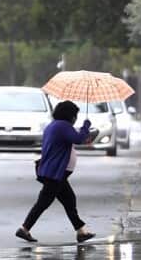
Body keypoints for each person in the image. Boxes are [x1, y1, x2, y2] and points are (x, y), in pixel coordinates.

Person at [17, 100, 97, 243]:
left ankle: (81, 231)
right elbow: (78, 139)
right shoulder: (62, 126)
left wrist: (83, 131)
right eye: (75, 115)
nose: (75, 118)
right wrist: (86, 127)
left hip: (56, 172)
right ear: (70, 115)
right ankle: (24, 229)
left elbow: (71, 138)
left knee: (69, 200)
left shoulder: (55, 125)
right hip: (55, 173)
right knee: (44, 202)